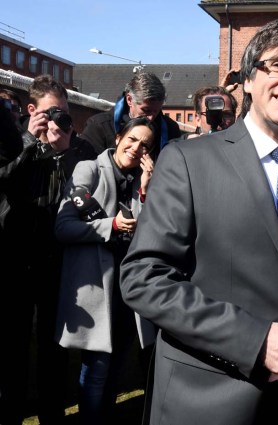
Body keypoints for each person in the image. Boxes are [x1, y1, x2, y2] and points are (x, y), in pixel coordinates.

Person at [119, 17, 278, 425]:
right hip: (202, 401)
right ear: (249, 81)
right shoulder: (188, 161)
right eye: (277, 65)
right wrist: (254, 341)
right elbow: (144, 277)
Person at [0, 74, 97, 425]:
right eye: (54, 112)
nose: (61, 119)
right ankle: (10, 411)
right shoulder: (14, 143)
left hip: (58, 262)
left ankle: (52, 414)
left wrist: (65, 151)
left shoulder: (78, 147)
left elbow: (91, 193)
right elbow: (4, 179)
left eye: (65, 112)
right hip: (17, 260)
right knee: (12, 346)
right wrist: (30, 142)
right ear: (32, 111)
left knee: (55, 348)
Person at [54, 116, 157, 425]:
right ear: (118, 138)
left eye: (146, 145)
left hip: (129, 292)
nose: (138, 147)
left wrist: (145, 191)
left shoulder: (145, 178)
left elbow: (152, 233)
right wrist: (110, 225)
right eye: (133, 139)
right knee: (96, 370)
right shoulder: (89, 169)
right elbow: (64, 226)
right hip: (97, 290)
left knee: (116, 370)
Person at [80, 72, 181, 156]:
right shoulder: (99, 127)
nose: (151, 118)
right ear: (129, 100)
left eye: (157, 111)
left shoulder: (170, 129)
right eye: (146, 110)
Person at [170, 85, 238, 143]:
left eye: (226, 114)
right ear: (198, 119)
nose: (220, 120)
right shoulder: (180, 149)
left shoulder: (243, 147)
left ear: (234, 117)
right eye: (212, 114)